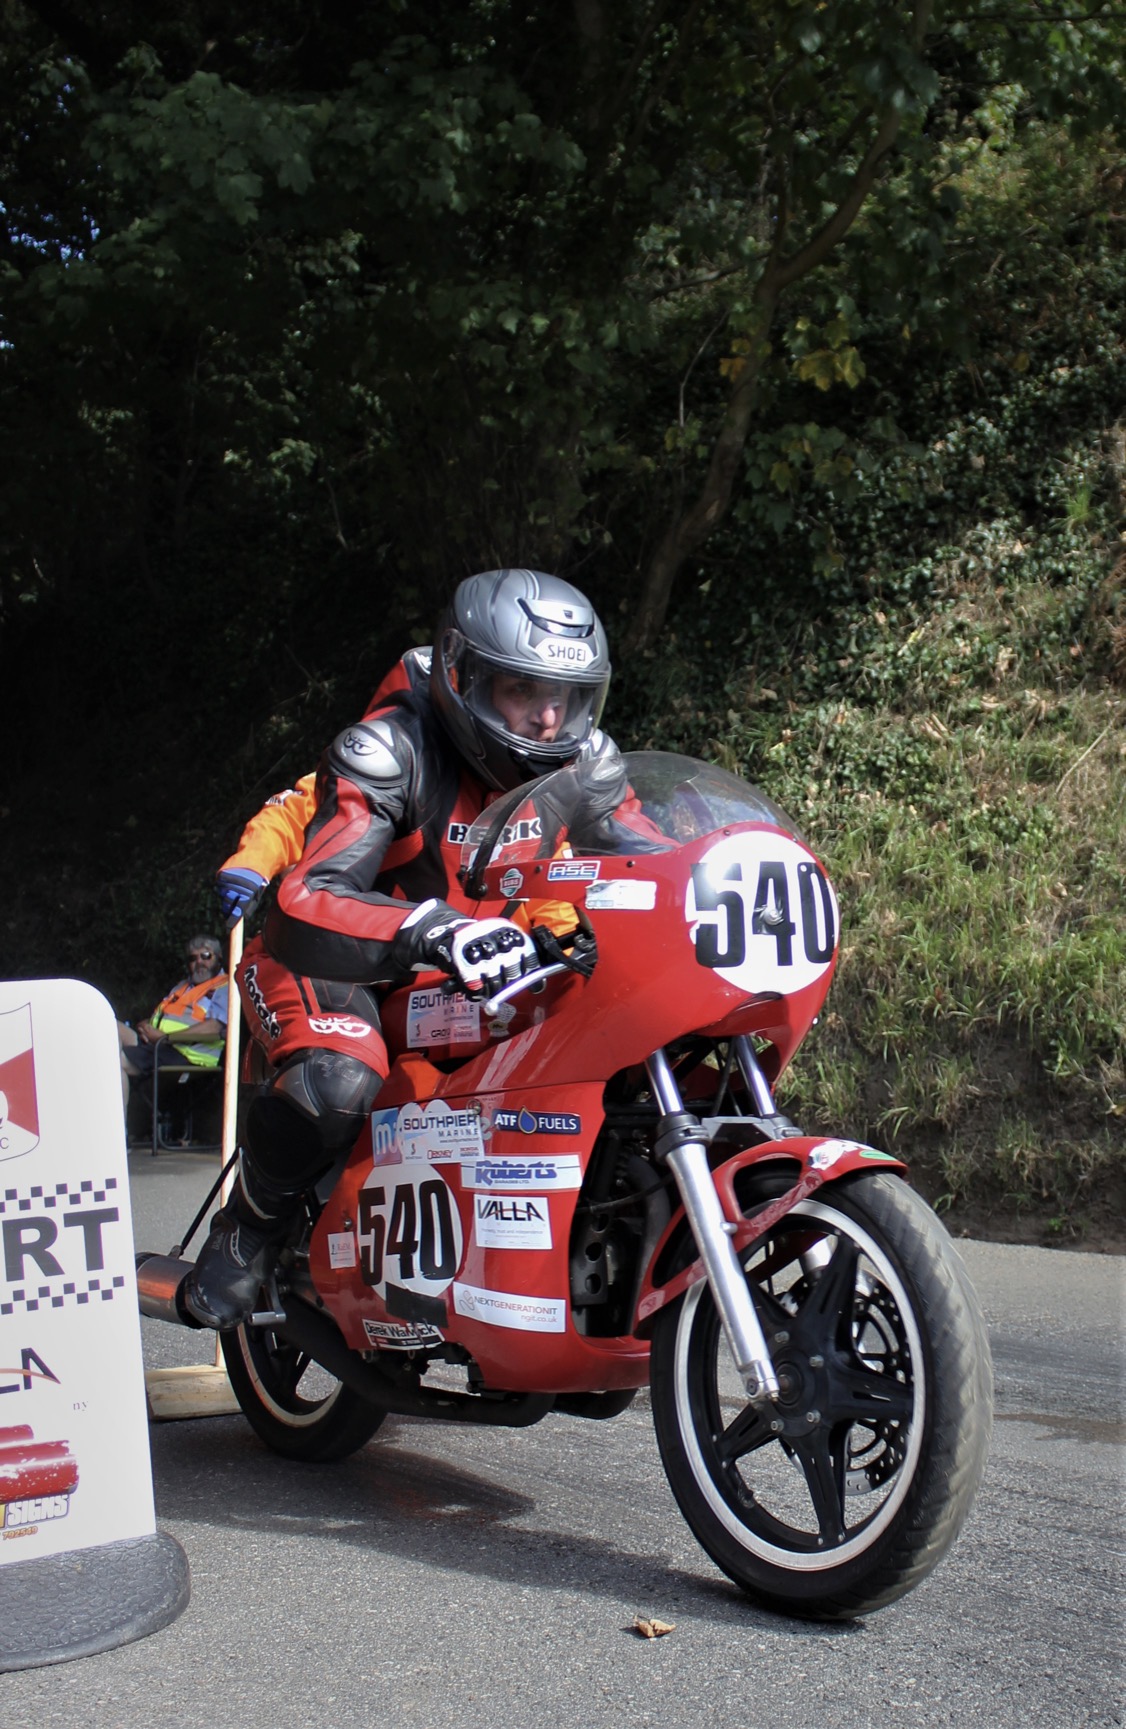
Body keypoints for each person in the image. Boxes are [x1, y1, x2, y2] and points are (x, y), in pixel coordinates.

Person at [182, 567, 645, 1329]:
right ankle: (250, 1227)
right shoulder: (388, 750)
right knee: (336, 1079)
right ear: (465, 676)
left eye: (567, 698)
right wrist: (430, 928)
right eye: (523, 691)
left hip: (474, 970)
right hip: (335, 959)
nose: (547, 719)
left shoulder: (587, 765)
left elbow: (646, 857)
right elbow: (306, 896)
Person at [117, 936, 229, 1119]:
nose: (199, 962)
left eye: (205, 956)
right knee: (110, 1026)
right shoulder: (183, 986)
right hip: (158, 1045)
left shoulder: (225, 987)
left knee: (113, 1063)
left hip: (184, 1053)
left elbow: (214, 1027)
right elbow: (163, 1016)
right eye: (193, 958)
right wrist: (145, 1025)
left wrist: (164, 1039)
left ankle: (118, 1131)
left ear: (219, 958)